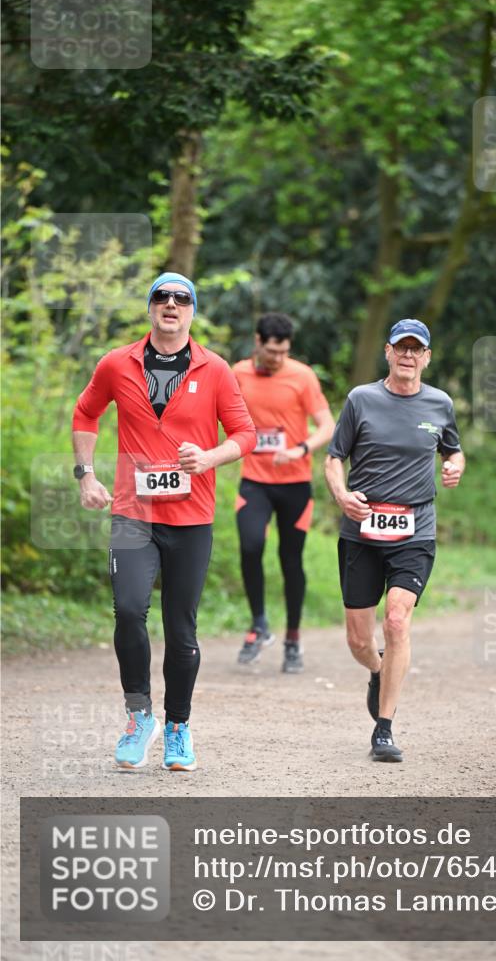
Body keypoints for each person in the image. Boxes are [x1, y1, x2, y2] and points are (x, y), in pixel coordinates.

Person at [72, 272, 256, 771]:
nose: (170, 305)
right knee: (129, 611)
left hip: (191, 518)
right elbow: (85, 413)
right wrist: (86, 476)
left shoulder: (215, 370)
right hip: (133, 513)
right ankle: (139, 717)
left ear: (193, 311)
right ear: (150, 308)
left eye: (181, 299)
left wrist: (211, 457)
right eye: (161, 297)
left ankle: (178, 726)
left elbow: (245, 433)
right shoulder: (116, 363)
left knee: (182, 631)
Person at [324, 319, 464, 763]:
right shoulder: (361, 399)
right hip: (362, 532)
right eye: (400, 347)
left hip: (415, 530)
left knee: (398, 622)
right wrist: (342, 495)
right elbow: (333, 459)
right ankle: (378, 671)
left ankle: (384, 728)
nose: (407, 355)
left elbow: (453, 449)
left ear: (426, 357)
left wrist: (455, 465)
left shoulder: (440, 404)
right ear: (387, 352)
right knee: (359, 641)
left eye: (415, 349)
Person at [232, 313, 335, 672]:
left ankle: (292, 639)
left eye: (284, 352)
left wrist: (301, 449)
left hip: (295, 483)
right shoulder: (237, 373)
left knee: (291, 561)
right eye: (272, 351)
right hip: (255, 481)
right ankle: (259, 623)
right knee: (249, 546)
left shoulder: (302, 376)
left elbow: (327, 425)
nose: (278, 358)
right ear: (257, 341)